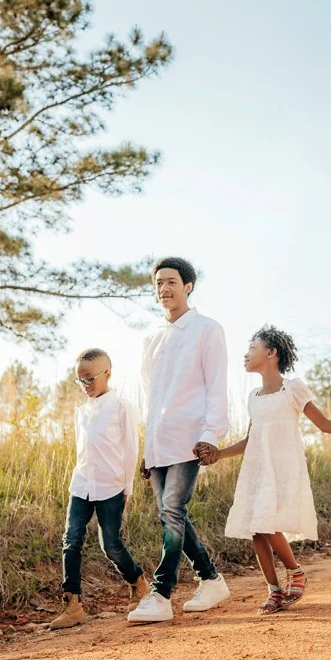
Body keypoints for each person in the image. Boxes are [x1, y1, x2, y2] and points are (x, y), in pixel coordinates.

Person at [200, 326, 331, 613]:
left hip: (282, 467)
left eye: (252, 348)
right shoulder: (253, 396)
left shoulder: (292, 388)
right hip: (257, 469)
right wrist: (219, 455)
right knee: (257, 531)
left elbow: (324, 424)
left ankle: (296, 571)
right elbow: (249, 440)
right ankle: (275, 590)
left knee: (267, 524)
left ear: (271, 353)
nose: (246, 353)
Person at [126, 256, 233, 625]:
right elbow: (149, 396)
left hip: (191, 438)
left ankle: (161, 593)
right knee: (170, 513)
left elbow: (217, 386)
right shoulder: (151, 338)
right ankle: (211, 579)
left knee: (172, 509)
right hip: (159, 441)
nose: (164, 289)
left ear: (188, 285)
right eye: (158, 284)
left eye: (171, 281)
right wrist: (146, 447)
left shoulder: (207, 329)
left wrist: (211, 434)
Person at [49, 348, 145, 629]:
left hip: (111, 485)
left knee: (110, 545)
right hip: (81, 484)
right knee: (71, 540)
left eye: (90, 379)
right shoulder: (81, 413)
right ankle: (73, 604)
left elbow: (130, 450)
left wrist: (127, 488)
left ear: (108, 374)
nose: (85, 386)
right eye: (80, 381)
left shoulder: (121, 407)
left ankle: (138, 583)